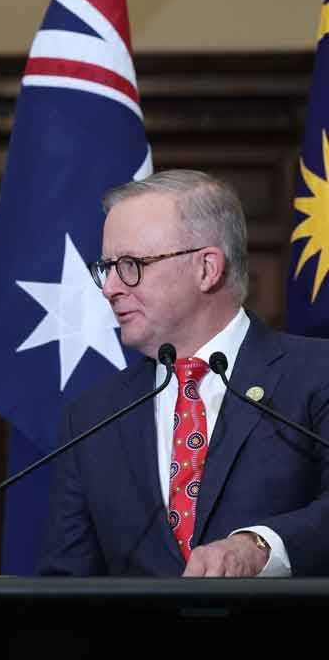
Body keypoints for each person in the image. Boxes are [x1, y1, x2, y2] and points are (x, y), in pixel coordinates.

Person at [39, 169, 329, 577]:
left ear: (207, 268)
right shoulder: (92, 416)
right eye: (107, 268)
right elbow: (65, 585)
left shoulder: (316, 374)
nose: (109, 289)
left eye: (131, 264)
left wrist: (261, 547)